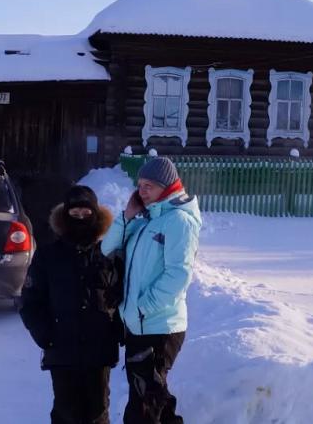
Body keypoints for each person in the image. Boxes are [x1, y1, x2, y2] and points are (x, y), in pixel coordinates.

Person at [101, 157, 202, 424]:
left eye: (149, 186)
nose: (142, 191)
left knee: (144, 406)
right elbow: (107, 247)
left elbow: (178, 275)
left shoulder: (179, 221)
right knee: (152, 399)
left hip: (158, 326)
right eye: (140, 185)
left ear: (167, 186)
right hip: (140, 324)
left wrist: (142, 308)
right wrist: (127, 216)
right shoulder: (148, 218)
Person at [19, 185, 122, 424]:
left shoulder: (109, 255)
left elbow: (122, 295)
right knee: (67, 412)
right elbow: (30, 301)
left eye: (86, 214)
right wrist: (46, 336)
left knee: (97, 412)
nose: (81, 218)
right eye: (75, 214)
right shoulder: (47, 256)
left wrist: (115, 331)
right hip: (62, 350)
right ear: (65, 217)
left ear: (96, 216)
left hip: (98, 350)